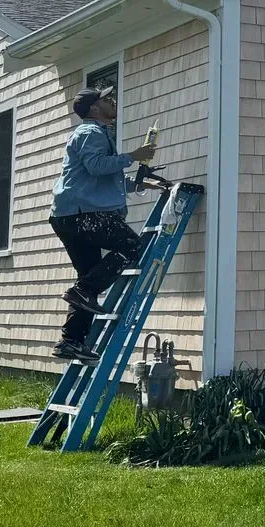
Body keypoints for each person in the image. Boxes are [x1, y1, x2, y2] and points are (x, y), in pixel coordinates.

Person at [48, 89, 156, 360]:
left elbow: (100, 177)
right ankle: (84, 292)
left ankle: (71, 341)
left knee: (88, 278)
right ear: (94, 109)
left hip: (71, 216)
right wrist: (133, 155)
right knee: (132, 246)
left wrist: (138, 183)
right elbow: (97, 166)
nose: (113, 101)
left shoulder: (95, 134)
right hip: (83, 215)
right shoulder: (90, 133)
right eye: (107, 99)